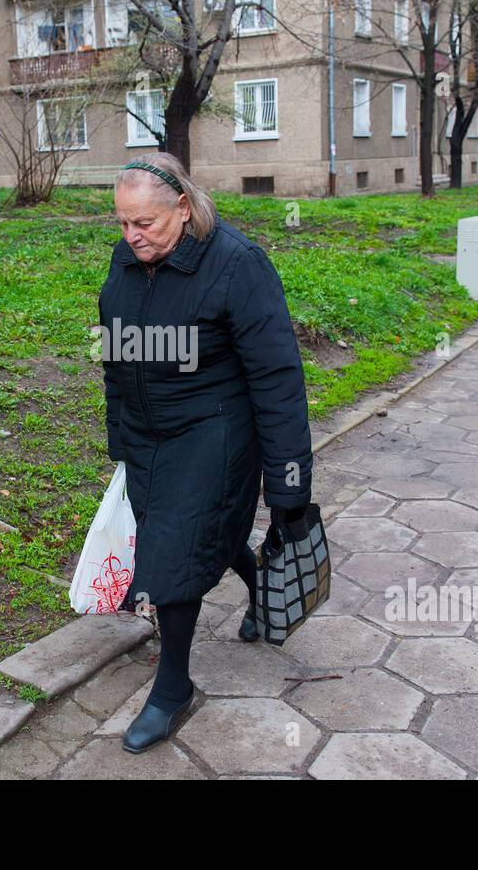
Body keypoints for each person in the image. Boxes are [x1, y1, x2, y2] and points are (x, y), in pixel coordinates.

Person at [98, 152, 313, 754]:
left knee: (171, 554)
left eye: (146, 223)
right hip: (147, 434)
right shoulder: (128, 259)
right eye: (122, 223)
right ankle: (258, 580)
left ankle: (172, 688)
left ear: (183, 208)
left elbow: (278, 378)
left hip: (214, 433)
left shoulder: (237, 265)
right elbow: (116, 353)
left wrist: (290, 485)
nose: (132, 237)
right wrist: (121, 434)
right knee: (195, 537)